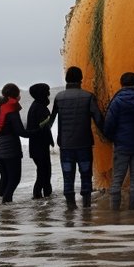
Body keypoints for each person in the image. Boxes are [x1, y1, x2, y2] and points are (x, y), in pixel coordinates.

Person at [46, 66, 104, 208]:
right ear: (81, 79)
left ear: (66, 79)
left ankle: (70, 206)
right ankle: (86, 205)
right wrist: (109, 134)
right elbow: (99, 119)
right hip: (84, 143)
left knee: (68, 175)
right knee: (85, 174)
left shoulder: (59, 97)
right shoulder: (88, 96)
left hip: (66, 145)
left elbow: (50, 121)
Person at [103, 72, 134, 210]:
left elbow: (109, 124)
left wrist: (113, 138)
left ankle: (115, 212)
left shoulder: (117, 101)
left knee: (117, 180)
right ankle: (132, 211)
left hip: (122, 145)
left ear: (121, 84)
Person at [0, 83, 29, 203]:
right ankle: (6, 205)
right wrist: (38, 131)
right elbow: (21, 132)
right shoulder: (12, 110)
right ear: (16, 95)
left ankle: (0, 202)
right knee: (14, 179)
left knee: (5, 178)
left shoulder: (1, 107)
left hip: (0, 152)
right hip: (11, 152)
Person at [26, 83, 54, 199]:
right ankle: (39, 197)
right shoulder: (39, 108)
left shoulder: (36, 106)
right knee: (44, 173)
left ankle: (44, 197)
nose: (49, 93)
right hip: (39, 146)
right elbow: (44, 126)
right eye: (47, 91)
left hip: (37, 145)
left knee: (43, 171)